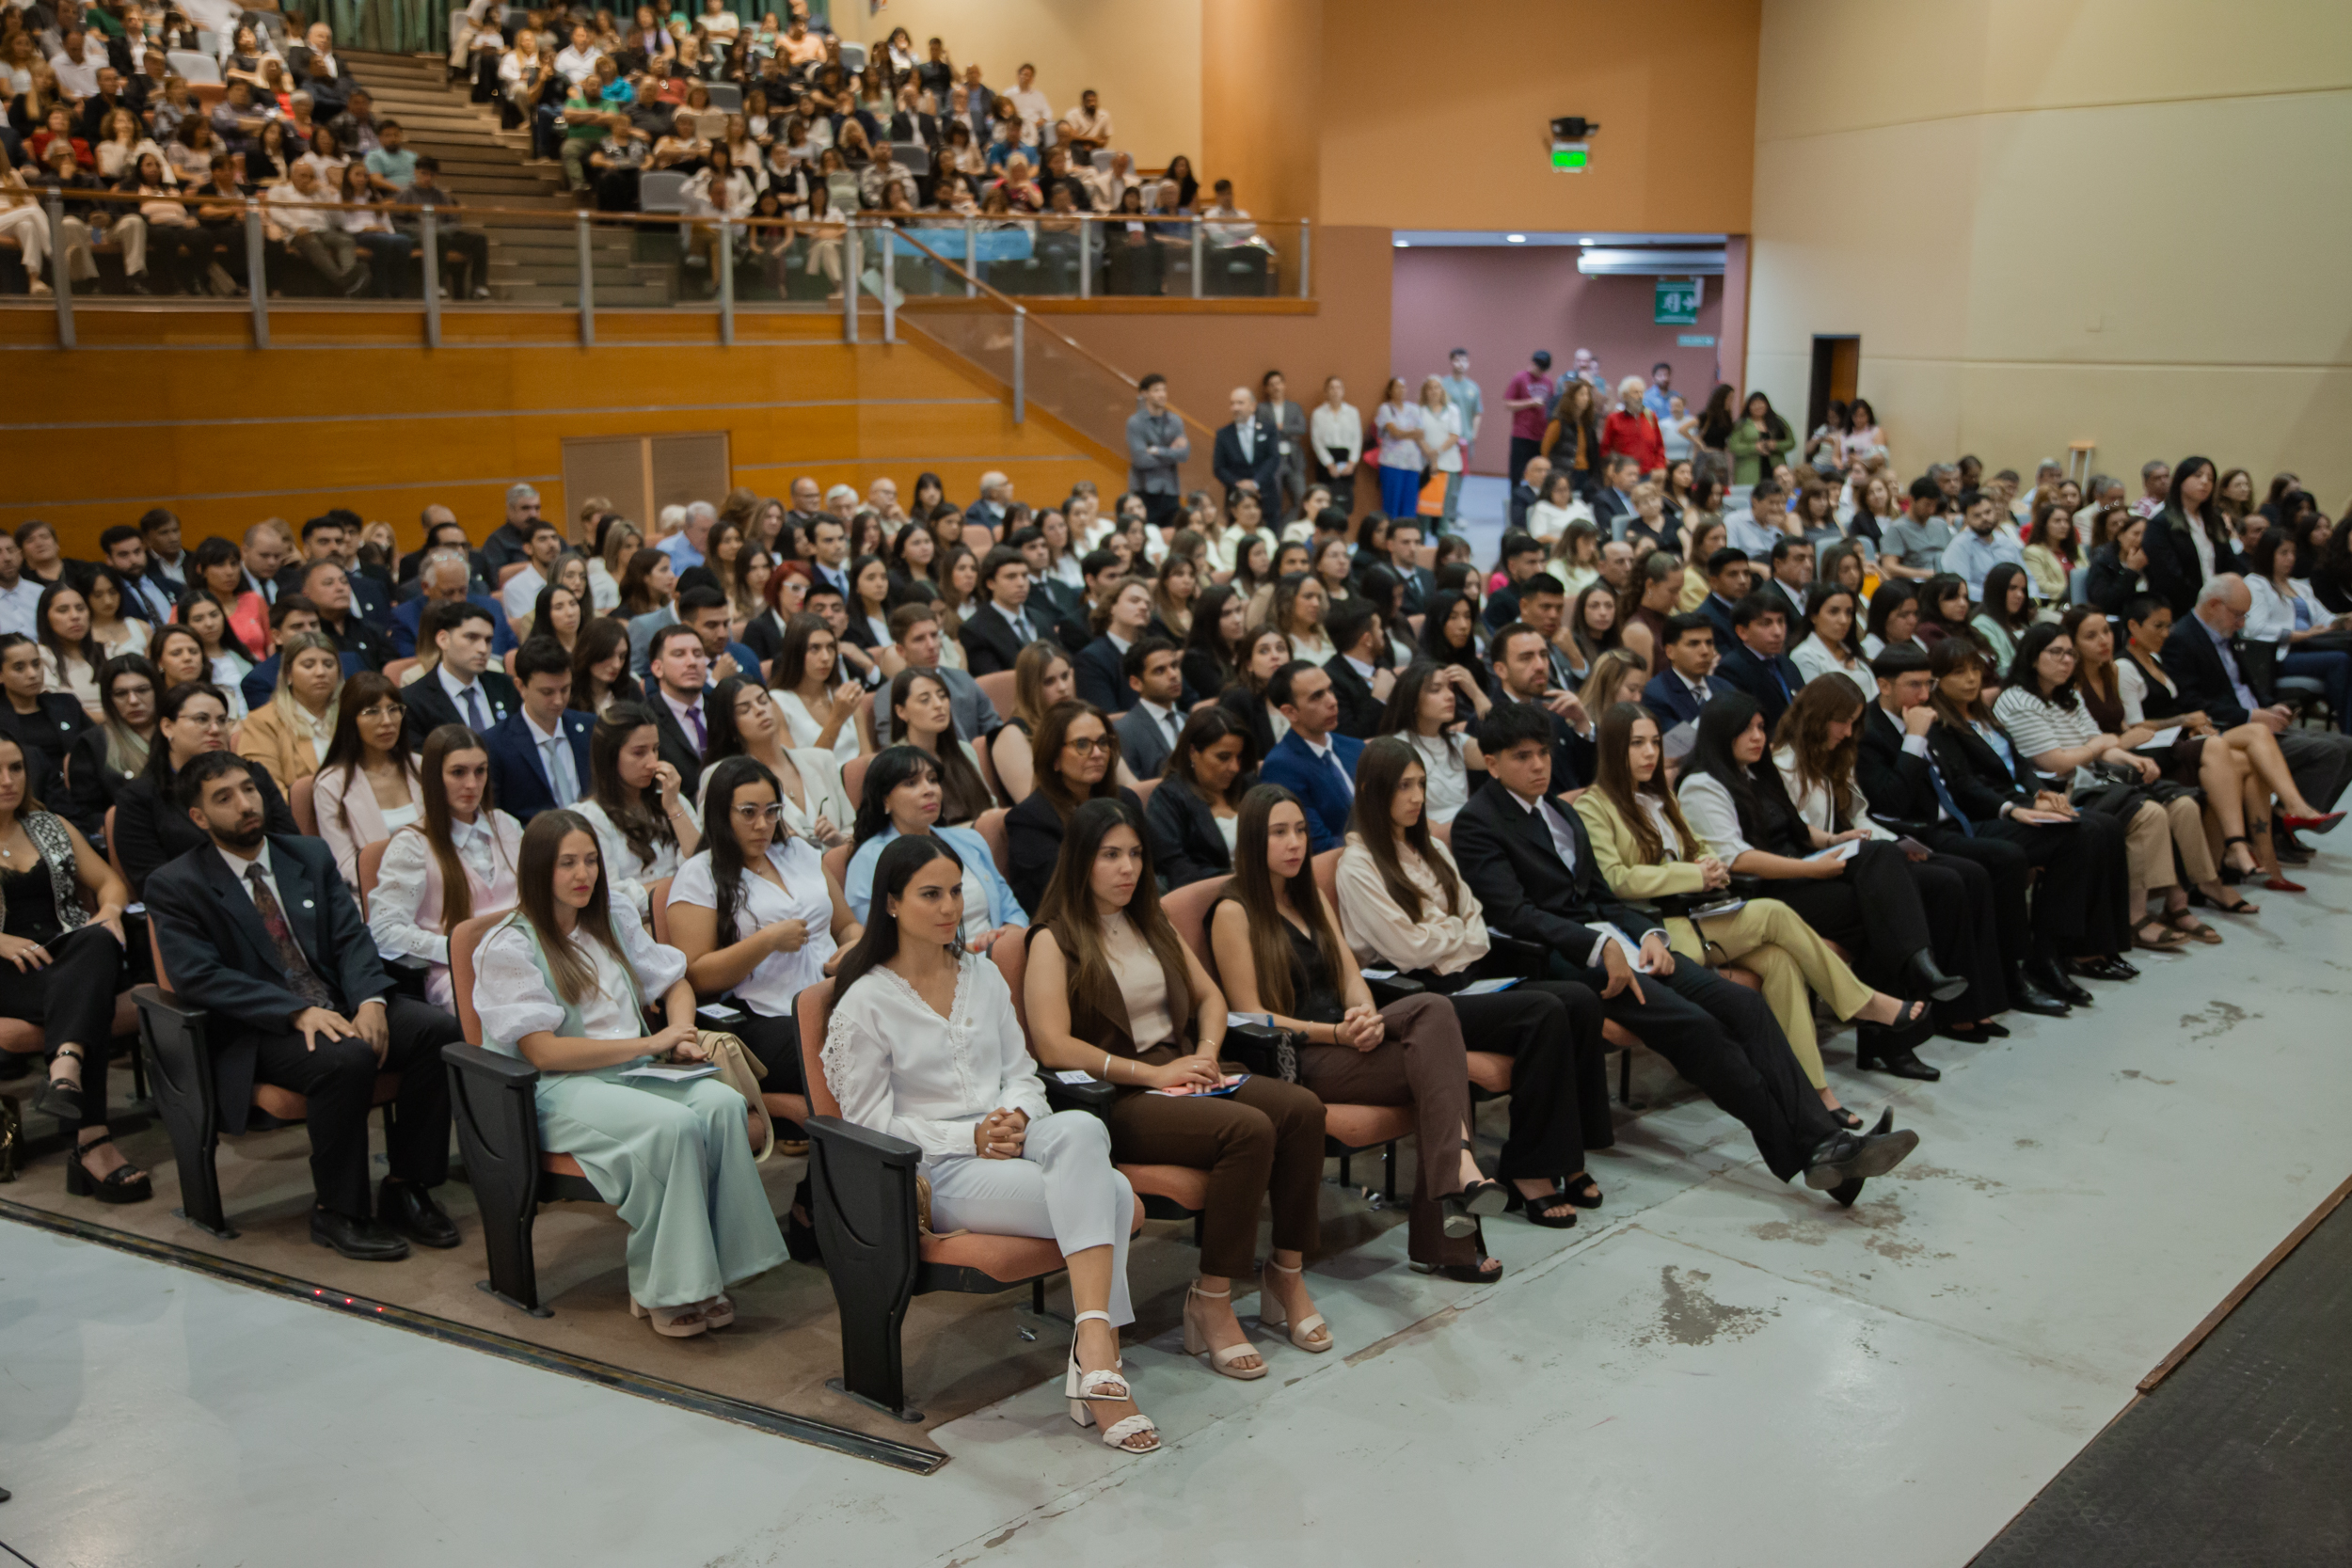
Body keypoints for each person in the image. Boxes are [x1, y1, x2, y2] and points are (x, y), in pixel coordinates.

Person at [1450, 702, 1917, 1204]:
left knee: (1746, 1005)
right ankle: (1819, 1148)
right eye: (1523, 757)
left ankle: (1825, 1147)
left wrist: (1649, 936)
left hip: (1625, 943)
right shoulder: (1478, 823)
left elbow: (1602, 896)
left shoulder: (1559, 810)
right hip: (1562, 963)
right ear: (1493, 763)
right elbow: (1517, 914)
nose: (1540, 766)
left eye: (1544, 753)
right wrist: (1601, 944)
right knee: (1700, 1029)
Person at [830, 832, 1155, 1449]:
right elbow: (867, 1123)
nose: (950, 906)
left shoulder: (980, 973)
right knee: (1110, 1192)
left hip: (1013, 1141)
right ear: (892, 903)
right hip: (940, 1171)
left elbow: (1022, 1072)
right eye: (931, 894)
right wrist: (968, 1135)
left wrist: (1014, 1115)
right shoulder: (866, 1000)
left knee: (1084, 1126)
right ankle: (1100, 1359)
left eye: (955, 890)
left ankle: (1093, 1347)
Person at [1023, 799, 1329, 1377]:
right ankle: (1211, 1300)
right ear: (1081, 861)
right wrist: (1154, 1074)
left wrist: (1206, 1055)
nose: (1127, 868)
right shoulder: (1054, 937)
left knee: (1303, 1110)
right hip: (1120, 1094)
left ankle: (1285, 1275)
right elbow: (1053, 1044)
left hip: (1182, 1072)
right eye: (1111, 855)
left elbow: (1212, 999)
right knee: (1249, 1129)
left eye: (1135, 854)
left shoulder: (1151, 920)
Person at [474, 808, 786, 1336]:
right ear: (536, 871)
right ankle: (663, 1287)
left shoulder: (611, 918)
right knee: (674, 1127)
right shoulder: (510, 946)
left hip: (634, 1068)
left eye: (591, 860)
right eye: (567, 863)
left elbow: (675, 981)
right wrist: (652, 1041)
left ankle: (710, 1272)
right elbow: (545, 1053)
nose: (583, 875)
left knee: (723, 1105)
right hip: (558, 1089)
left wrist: (682, 1034)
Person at [148, 751, 462, 1259]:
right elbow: (197, 976)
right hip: (261, 1029)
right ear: (199, 819)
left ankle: (407, 1185)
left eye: (249, 789)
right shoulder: (177, 884)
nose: (245, 804)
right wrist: (294, 1011)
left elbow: (352, 939)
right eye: (224, 798)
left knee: (437, 1031)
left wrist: (371, 1000)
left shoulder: (307, 855)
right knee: (347, 1058)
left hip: (339, 1002)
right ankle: (338, 1210)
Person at [1213, 783, 1509, 1277]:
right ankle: (1454, 1209)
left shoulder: (1308, 898)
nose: (1294, 844)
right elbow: (1250, 1014)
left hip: (1347, 1037)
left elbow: (1350, 975)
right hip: (1297, 1054)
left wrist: (1365, 1015)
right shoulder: (1232, 911)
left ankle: (1455, 1182)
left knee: (1434, 1012)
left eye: (1301, 831)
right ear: (1250, 841)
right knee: (1442, 1070)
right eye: (1279, 833)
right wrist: (1336, 1035)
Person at [1574, 701, 1935, 1101]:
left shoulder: (1662, 796)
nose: (1649, 753)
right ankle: (1864, 1002)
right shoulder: (1595, 805)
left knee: (1781, 963)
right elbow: (1615, 880)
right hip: (1654, 929)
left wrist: (1710, 863)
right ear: (1611, 749)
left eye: (1655, 743)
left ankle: (1817, 1096)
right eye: (1636, 744)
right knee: (1775, 913)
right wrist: (1695, 873)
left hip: (1700, 914)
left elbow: (1697, 844)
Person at [1337, 738, 1610, 1222]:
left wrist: (1440, 932)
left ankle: (1570, 1158)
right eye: (1403, 786)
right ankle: (1530, 1169)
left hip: (1469, 980)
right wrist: (1451, 931)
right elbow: (1408, 950)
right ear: (1371, 791)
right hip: (1418, 1001)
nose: (1417, 797)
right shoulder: (1357, 865)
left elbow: (1478, 928)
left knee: (1580, 999)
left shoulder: (1432, 848)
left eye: (1421, 784)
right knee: (1543, 1011)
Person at [1993, 624, 2218, 951]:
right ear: (2031, 657)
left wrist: (2129, 758)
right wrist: (2100, 746)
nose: (2066, 661)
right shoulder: (2017, 700)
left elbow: (2098, 745)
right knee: (2148, 811)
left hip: (2092, 778)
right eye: (2055, 653)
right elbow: (2055, 762)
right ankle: (2135, 918)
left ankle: (2178, 903)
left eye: (2070, 653)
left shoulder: (2068, 695)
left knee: (2182, 803)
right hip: (2056, 791)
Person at [667, 753, 859, 1107]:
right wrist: (766, 941)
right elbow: (695, 975)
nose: (762, 824)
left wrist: (854, 947)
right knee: (858, 1052)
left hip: (835, 996)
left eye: (772, 811)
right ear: (722, 814)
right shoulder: (699, 875)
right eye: (748, 812)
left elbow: (847, 925)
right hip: (761, 1016)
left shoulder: (798, 850)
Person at [1, 731, 144, 1202]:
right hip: (6, 970)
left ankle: (67, 1068)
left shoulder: (50, 824)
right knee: (89, 991)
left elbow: (109, 884)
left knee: (96, 941)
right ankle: (92, 1143)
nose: (8, 780)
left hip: (70, 953)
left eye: (16, 768)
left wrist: (109, 910)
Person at [2113, 595, 2336, 895]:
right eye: (2158, 626)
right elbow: (2135, 729)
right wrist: (2183, 720)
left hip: (2183, 740)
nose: (2166, 633)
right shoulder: (2125, 668)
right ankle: (2272, 825)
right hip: (2159, 749)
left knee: (2250, 762)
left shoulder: (2156, 659)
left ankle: (2261, 862)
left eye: (2168, 625)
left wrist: (2194, 723)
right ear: (2133, 626)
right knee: (2255, 735)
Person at [367, 722, 523, 1008]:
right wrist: (456, 947)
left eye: (480, 771)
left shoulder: (507, 825)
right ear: (434, 777)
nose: (472, 785)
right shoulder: (412, 845)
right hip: (458, 973)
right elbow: (384, 930)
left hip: (525, 956)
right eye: (458, 772)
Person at [112, 680, 298, 898]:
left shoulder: (254, 775)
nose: (215, 729)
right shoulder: (139, 797)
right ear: (167, 727)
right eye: (201, 719)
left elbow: (290, 845)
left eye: (222, 720)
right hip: (199, 906)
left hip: (276, 888)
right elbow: (154, 882)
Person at [843, 745, 1026, 942]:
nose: (929, 790)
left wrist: (1007, 939)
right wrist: (968, 951)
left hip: (997, 953)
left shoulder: (969, 840)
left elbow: (1012, 911)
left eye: (932, 780)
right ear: (885, 800)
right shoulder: (871, 857)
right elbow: (876, 939)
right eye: (911, 783)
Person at [1006, 701, 1141, 911]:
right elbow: (1056, 894)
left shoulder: (1126, 801)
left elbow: (1152, 867)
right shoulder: (1030, 819)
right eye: (1082, 744)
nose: (1097, 753)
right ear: (1055, 758)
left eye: (1103, 742)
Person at [575, 702, 703, 921]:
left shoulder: (673, 798)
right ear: (610, 756)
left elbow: (703, 865)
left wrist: (673, 808)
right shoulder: (589, 817)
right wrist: (679, 884)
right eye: (639, 753)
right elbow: (610, 897)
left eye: (655, 749)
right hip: (631, 929)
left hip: (689, 916)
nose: (653, 763)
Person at [697, 676, 851, 847]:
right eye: (745, 709)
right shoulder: (720, 775)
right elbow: (712, 845)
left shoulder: (821, 759)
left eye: (763, 701)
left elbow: (853, 828)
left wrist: (839, 839)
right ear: (730, 727)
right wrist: (772, 844)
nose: (759, 710)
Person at [311, 673, 420, 890]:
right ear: (351, 719)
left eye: (393, 709)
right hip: (376, 895)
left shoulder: (421, 767)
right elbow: (347, 867)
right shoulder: (331, 785)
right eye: (372, 712)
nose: (387, 721)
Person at [1256, 661, 1362, 855]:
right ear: (1290, 712)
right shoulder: (1281, 767)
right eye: (1317, 696)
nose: (1332, 701)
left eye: (1330, 690)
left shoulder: (1354, 747)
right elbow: (1317, 843)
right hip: (1340, 867)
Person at [1144, 704, 1251, 889]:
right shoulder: (1168, 798)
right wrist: (1241, 882)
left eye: (1239, 757)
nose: (1235, 767)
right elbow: (1176, 869)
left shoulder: (1247, 785)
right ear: (1193, 752)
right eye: (1223, 757)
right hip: (1210, 899)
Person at [1380, 657, 1487, 825]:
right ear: (1413, 701)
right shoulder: (1396, 748)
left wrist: (1475, 692)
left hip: (1469, 826)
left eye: (1451, 688)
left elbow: (1503, 750)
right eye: (1436, 690)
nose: (1450, 696)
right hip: (1429, 835)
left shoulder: (1457, 741)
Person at [230, 629, 340, 790]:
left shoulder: (353, 714)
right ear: (288, 673)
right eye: (308, 665)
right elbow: (267, 791)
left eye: (328, 664)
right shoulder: (262, 722)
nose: (321, 672)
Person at [402, 602, 519, 747]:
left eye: (488, 640)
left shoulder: (507, 687)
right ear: (443, 639)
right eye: (471, 637)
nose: (483, 649)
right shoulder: (412, 700)